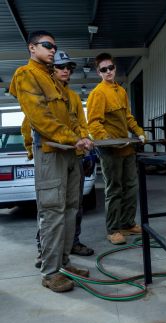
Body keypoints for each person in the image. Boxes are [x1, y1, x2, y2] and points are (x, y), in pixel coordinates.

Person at [10, 30, 93, 293]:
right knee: (53, 212)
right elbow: (39, 117)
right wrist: (72, 138)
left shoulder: (53, 80)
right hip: (51, 151)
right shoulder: (26, 75)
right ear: (32, 48)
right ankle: (49, 271)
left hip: (68, 151)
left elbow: (70, 117)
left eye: (54, 46)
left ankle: (64, 263)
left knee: (70, 209)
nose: (53, 50)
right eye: (47, 46)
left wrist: (81, 138)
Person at [28, 50, 95, 268]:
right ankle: (46, 255)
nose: (65, 70)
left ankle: (64, 257)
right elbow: (30, 125)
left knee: (71, 208)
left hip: (73, 157)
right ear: (51, 70)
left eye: (68, 67)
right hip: (52, 156)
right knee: (52, 210)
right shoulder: (43, 93)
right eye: (60, 67)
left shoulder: (72, 97)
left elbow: (80, 125)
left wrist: (84, 143)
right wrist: (33, 153)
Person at [87, 53, 145, 245]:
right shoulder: (98, 93)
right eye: (104, 69)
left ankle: (127, 223)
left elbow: (128, 117)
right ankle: (113, 230)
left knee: (131, 187)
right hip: (110, 150)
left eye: (110, 68)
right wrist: (108, 140)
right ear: (99, 72)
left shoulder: (120, 91)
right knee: (114, 190)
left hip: (126, 148)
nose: (108, 72)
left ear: (115, 68)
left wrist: (138, 132)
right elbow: (94, 124)